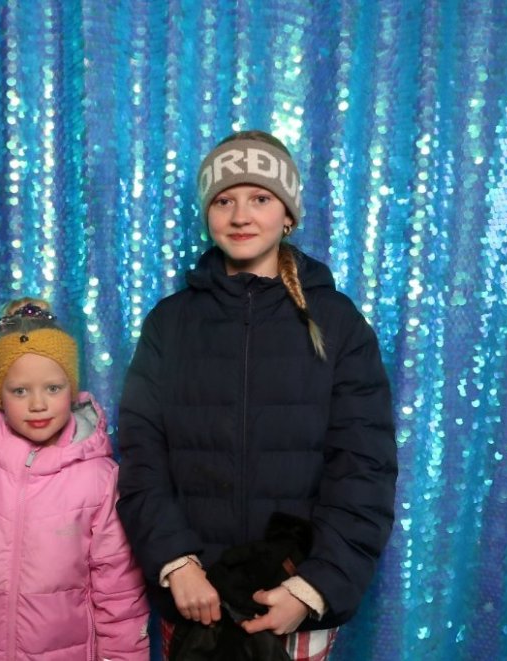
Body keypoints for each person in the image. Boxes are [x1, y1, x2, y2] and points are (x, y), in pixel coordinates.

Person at [116, 130, 398, 660]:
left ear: (288, 214)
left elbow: (365, 467)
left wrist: (312, 588)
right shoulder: (169, 324)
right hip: (198, 598)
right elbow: (141, 456)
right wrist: (177, 562)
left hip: (294, 597)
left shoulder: (338, 323)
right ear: (207, 213)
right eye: (224, 200)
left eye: (261, 198)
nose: (241, 215)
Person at [0, 298, 150, 660]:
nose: (38, 404)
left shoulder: (100, 480)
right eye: (20, 391)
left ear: (71, 389)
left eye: (53, 388)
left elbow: (119, 591)